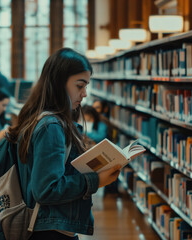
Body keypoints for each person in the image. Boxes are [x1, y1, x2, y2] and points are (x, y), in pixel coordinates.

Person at [7, 48, 122, 239]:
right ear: (59, 84)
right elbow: (46, 190)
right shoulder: (51, 126)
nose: (85, 93)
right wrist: (97, 180)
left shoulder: (42, 119)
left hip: (51, 227)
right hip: (50, 231)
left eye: (86, 86)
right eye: (79, 86)